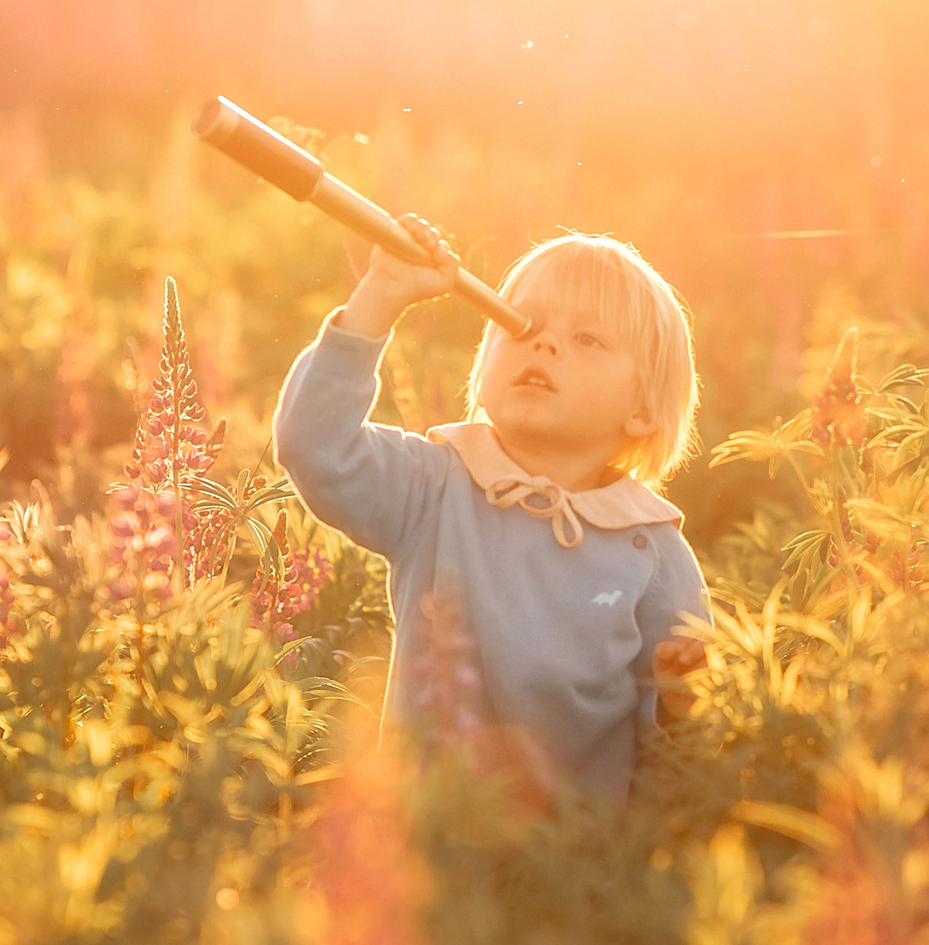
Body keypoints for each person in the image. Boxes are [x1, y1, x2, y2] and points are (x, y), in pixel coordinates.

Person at [272, 215, 710, 802]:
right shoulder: (435, 484)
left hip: (576, 868)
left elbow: (680, 747)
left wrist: (684, 694)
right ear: (484, 370)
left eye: (589, 339)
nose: (544, 342)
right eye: (520, 324)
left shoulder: (651, 548)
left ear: (642, 411)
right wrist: (381, 295)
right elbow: (315, 445)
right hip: (432, 846)